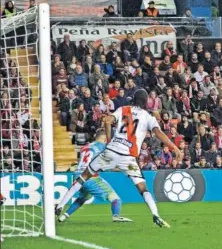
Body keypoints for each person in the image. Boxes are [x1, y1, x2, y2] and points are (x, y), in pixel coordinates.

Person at [55, 90, 182, 228]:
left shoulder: (123, 109)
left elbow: (108, 121)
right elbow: (158, 132)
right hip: (128, 158)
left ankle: (61, 205)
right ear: (146, 101)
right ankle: (155, 214)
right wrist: (174, 147)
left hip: (111, 151)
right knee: (142, 188)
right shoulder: (148, 116)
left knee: (84, 176)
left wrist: (109, 140)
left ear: (133, 99)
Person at [57, 131, 132, 223]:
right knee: (115, 198)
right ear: (105, 139)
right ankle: (116, 216)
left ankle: (64, 216)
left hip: (78, 175)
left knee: (83, 198)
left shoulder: (84, 147)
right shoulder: (103, 147)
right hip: (90, 177)